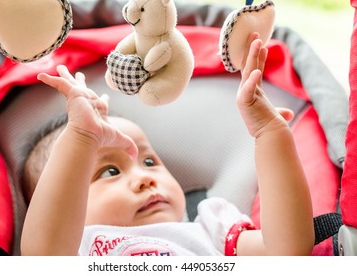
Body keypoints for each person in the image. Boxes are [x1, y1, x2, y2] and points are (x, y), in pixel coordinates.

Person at [20, 35, 315, 256]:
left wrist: (270, 133)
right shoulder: (76, 248)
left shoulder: (212, 228)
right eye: (109, 171)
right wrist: (81, 138)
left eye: (149, 162)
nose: (144, 178)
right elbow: (43, 256)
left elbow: (286, 253)